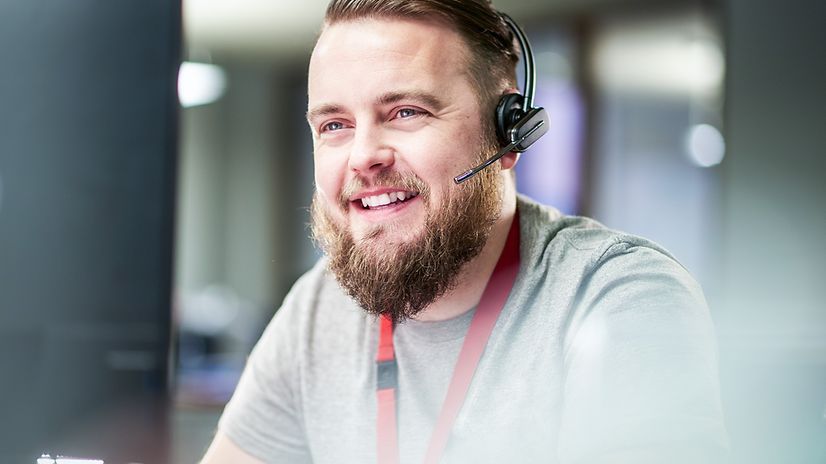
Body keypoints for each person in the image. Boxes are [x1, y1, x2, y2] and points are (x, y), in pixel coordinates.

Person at [200, 0, 728, 463]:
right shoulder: (317, 308)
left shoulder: (619, 296)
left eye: (406, 112)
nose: (363, 157)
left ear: (507, 131)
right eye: (334, 125)